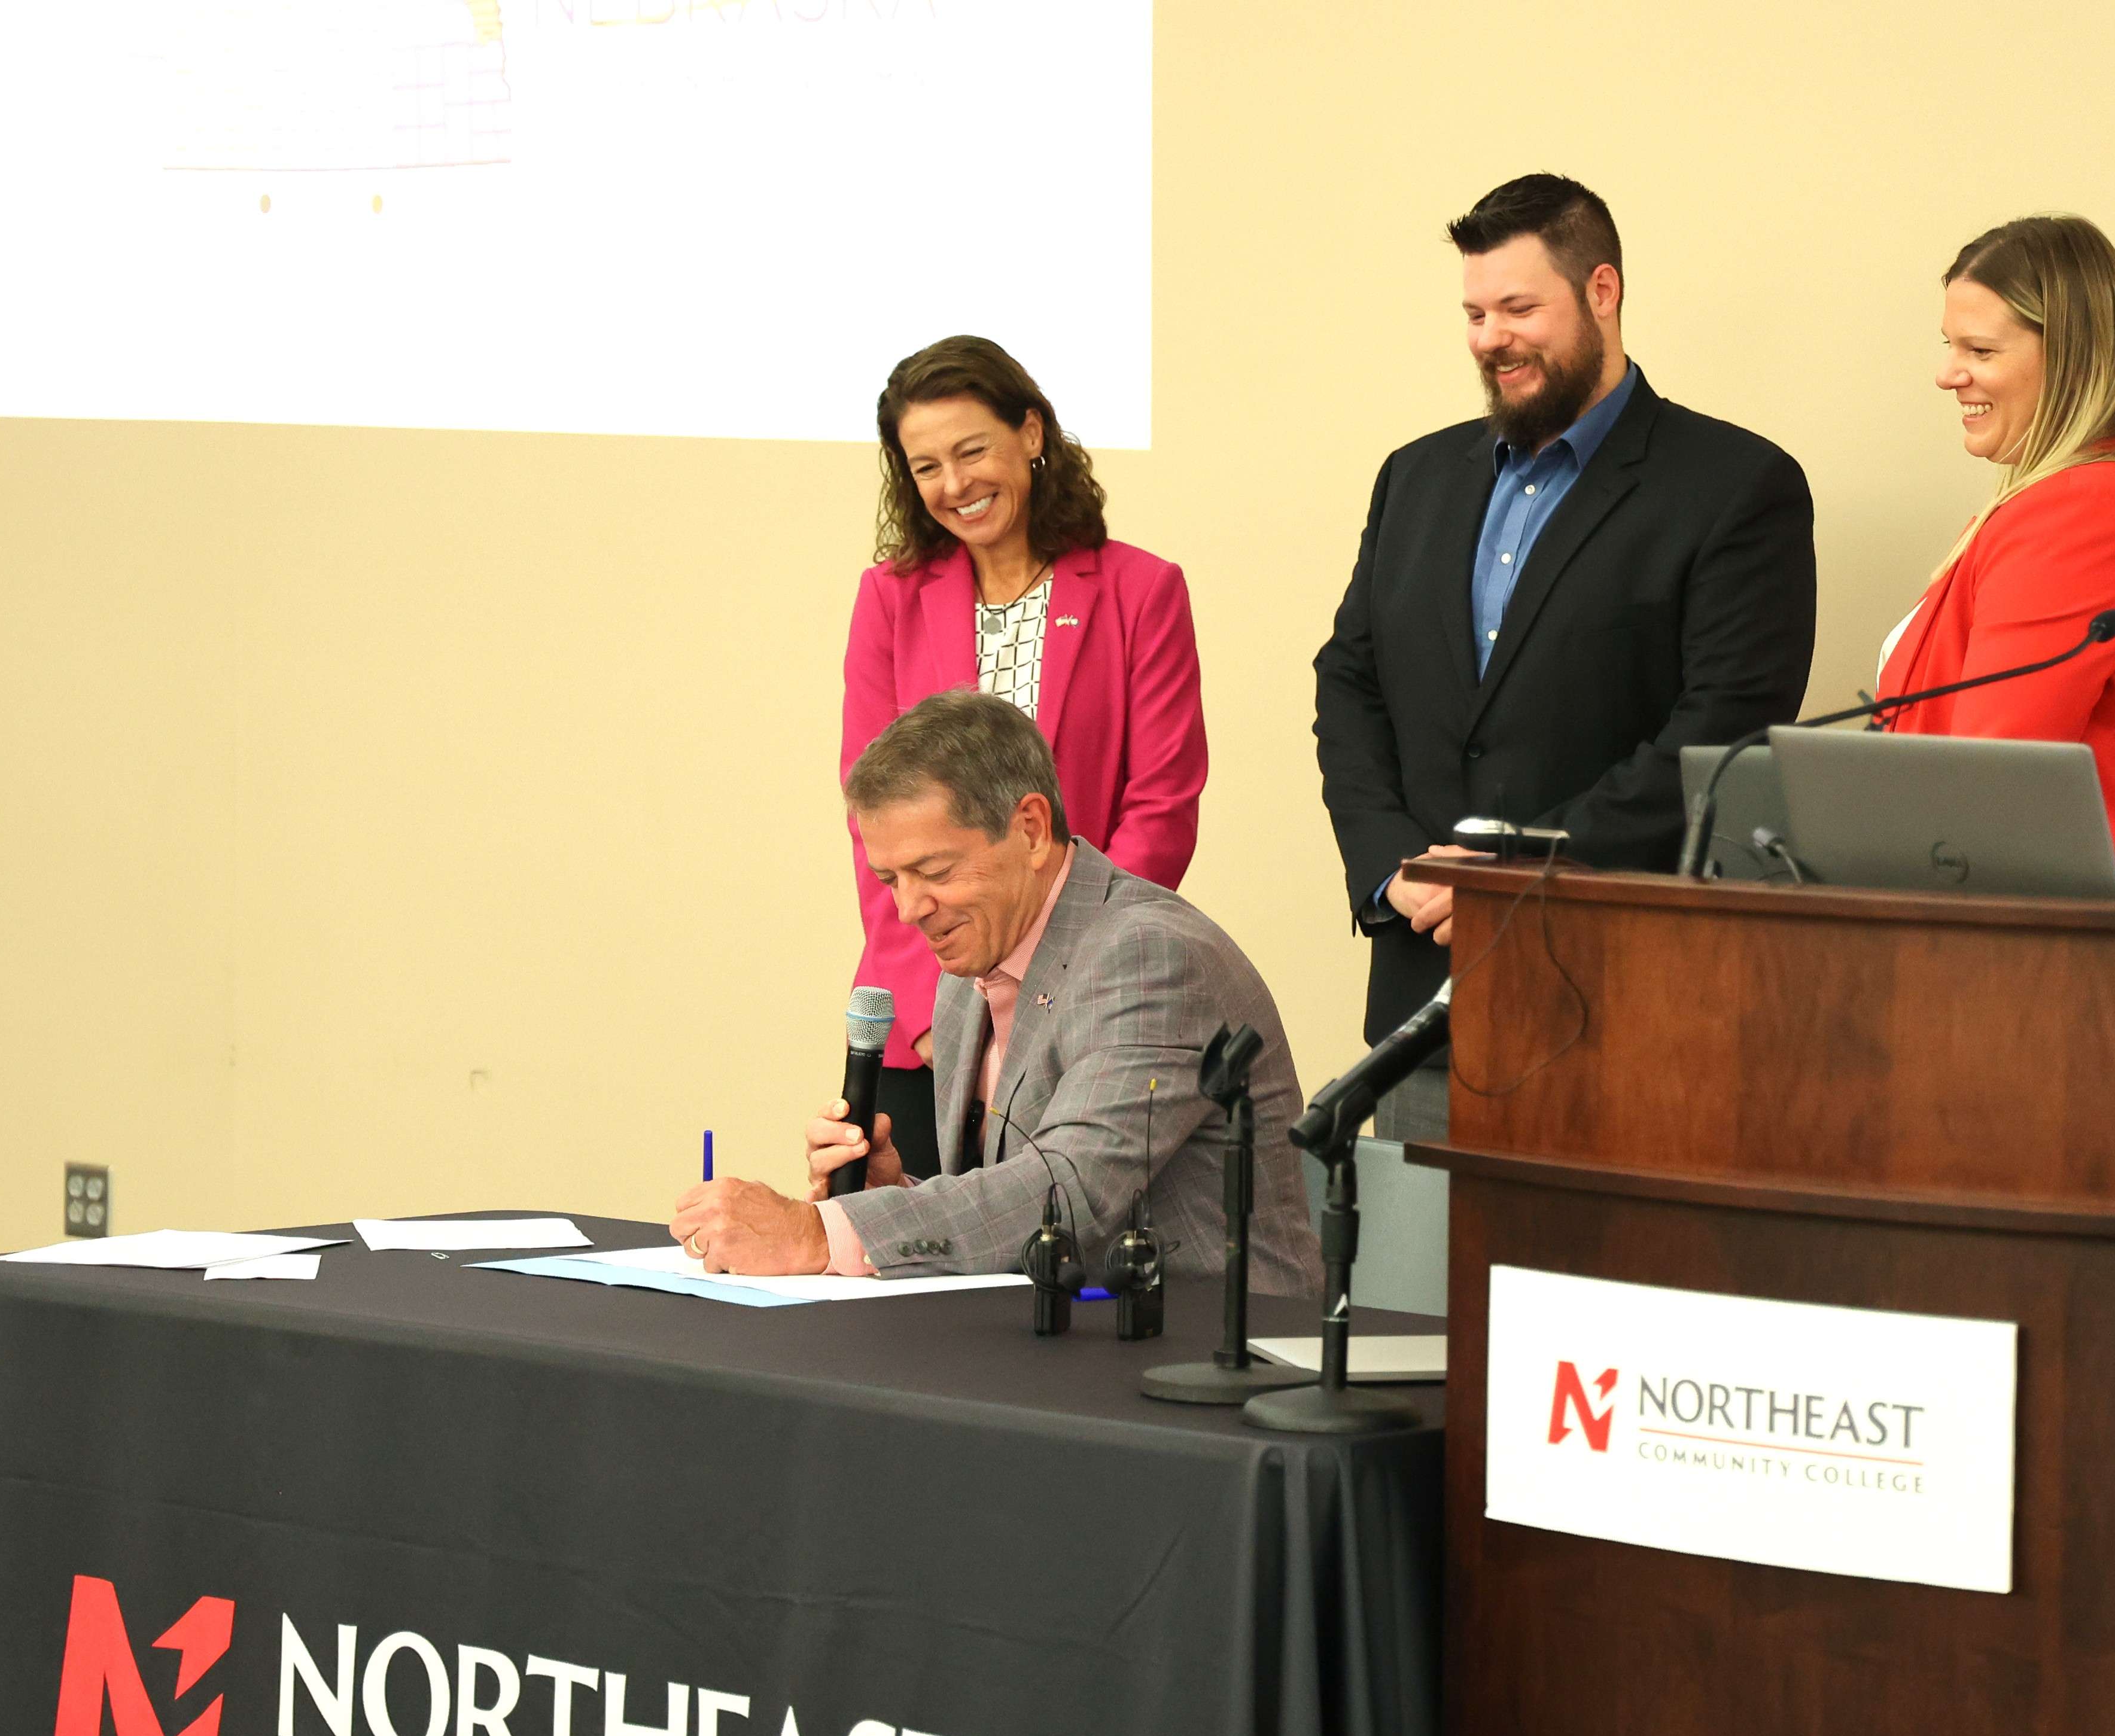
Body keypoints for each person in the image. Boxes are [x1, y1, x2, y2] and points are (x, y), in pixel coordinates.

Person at [1312, 173, 1817, 1139]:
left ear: (1601, 292)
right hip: (1426, 1010)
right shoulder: (1414, 477)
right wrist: (1392, 867)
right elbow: (1350, 683)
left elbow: (1720, 735)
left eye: (1516, 308)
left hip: (1623, 1009)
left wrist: (1509, 874)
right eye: (1471, 312)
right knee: (1415, 1294)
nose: (1487, 337)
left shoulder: (1737, 487)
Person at [675, 692, 1314, 1290]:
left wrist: (820, 1233)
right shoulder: (968, 974)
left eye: (934, 871)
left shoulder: (1148, 954)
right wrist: (892, 1189)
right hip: (1058, 1340)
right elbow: (1008, 1206)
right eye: (889, 878)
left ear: (1032, 829)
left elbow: (1068, 1190)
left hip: (1209, 1362)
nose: (908, 908)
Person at [843, 336, 1209, 1170]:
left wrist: (1069, 984)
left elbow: (1162, 805)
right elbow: (874, 824)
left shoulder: (1140, 590)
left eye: (973, 451)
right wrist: (937, 1012)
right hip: (925, 1024)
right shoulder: (889, 600)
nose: (956, 485)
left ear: (1032, 434)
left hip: (1085, 1014)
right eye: (926, 466)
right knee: (901, 1270)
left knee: (1053, 1266)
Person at [1876, 215, 2115, 901]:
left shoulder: (2083, 510)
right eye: (1949, 344)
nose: (1948, 374)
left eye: (1980, 349)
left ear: (2071, 359)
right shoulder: (2070, 500)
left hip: (2067, 950)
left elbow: (1988, 781)